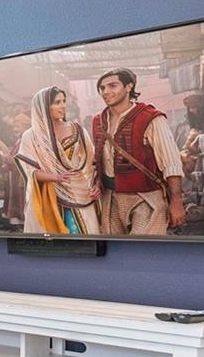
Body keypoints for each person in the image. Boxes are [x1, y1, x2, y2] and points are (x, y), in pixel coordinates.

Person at [93, 68, 184, 235]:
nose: (105, 92)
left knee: (144, 248)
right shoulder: (98, 121)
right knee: (115, 248)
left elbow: (171, 162)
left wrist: (176, 202)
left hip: (145, 198)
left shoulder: (150, 117)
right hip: (110, 199)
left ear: (129, 86)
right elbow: (97, 160)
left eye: (112, 86)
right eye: (102, 88)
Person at [15, 87, 99, 234]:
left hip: (80, 192)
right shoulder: (31, 136)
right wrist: (56, 177)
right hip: (49, 197)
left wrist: (96, 184)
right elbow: (29, 170)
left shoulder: (77, 129)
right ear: (43, 107)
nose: (63, 106)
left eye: (64, 101)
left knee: (84, 238)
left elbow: (92, 161)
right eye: (57, 102)